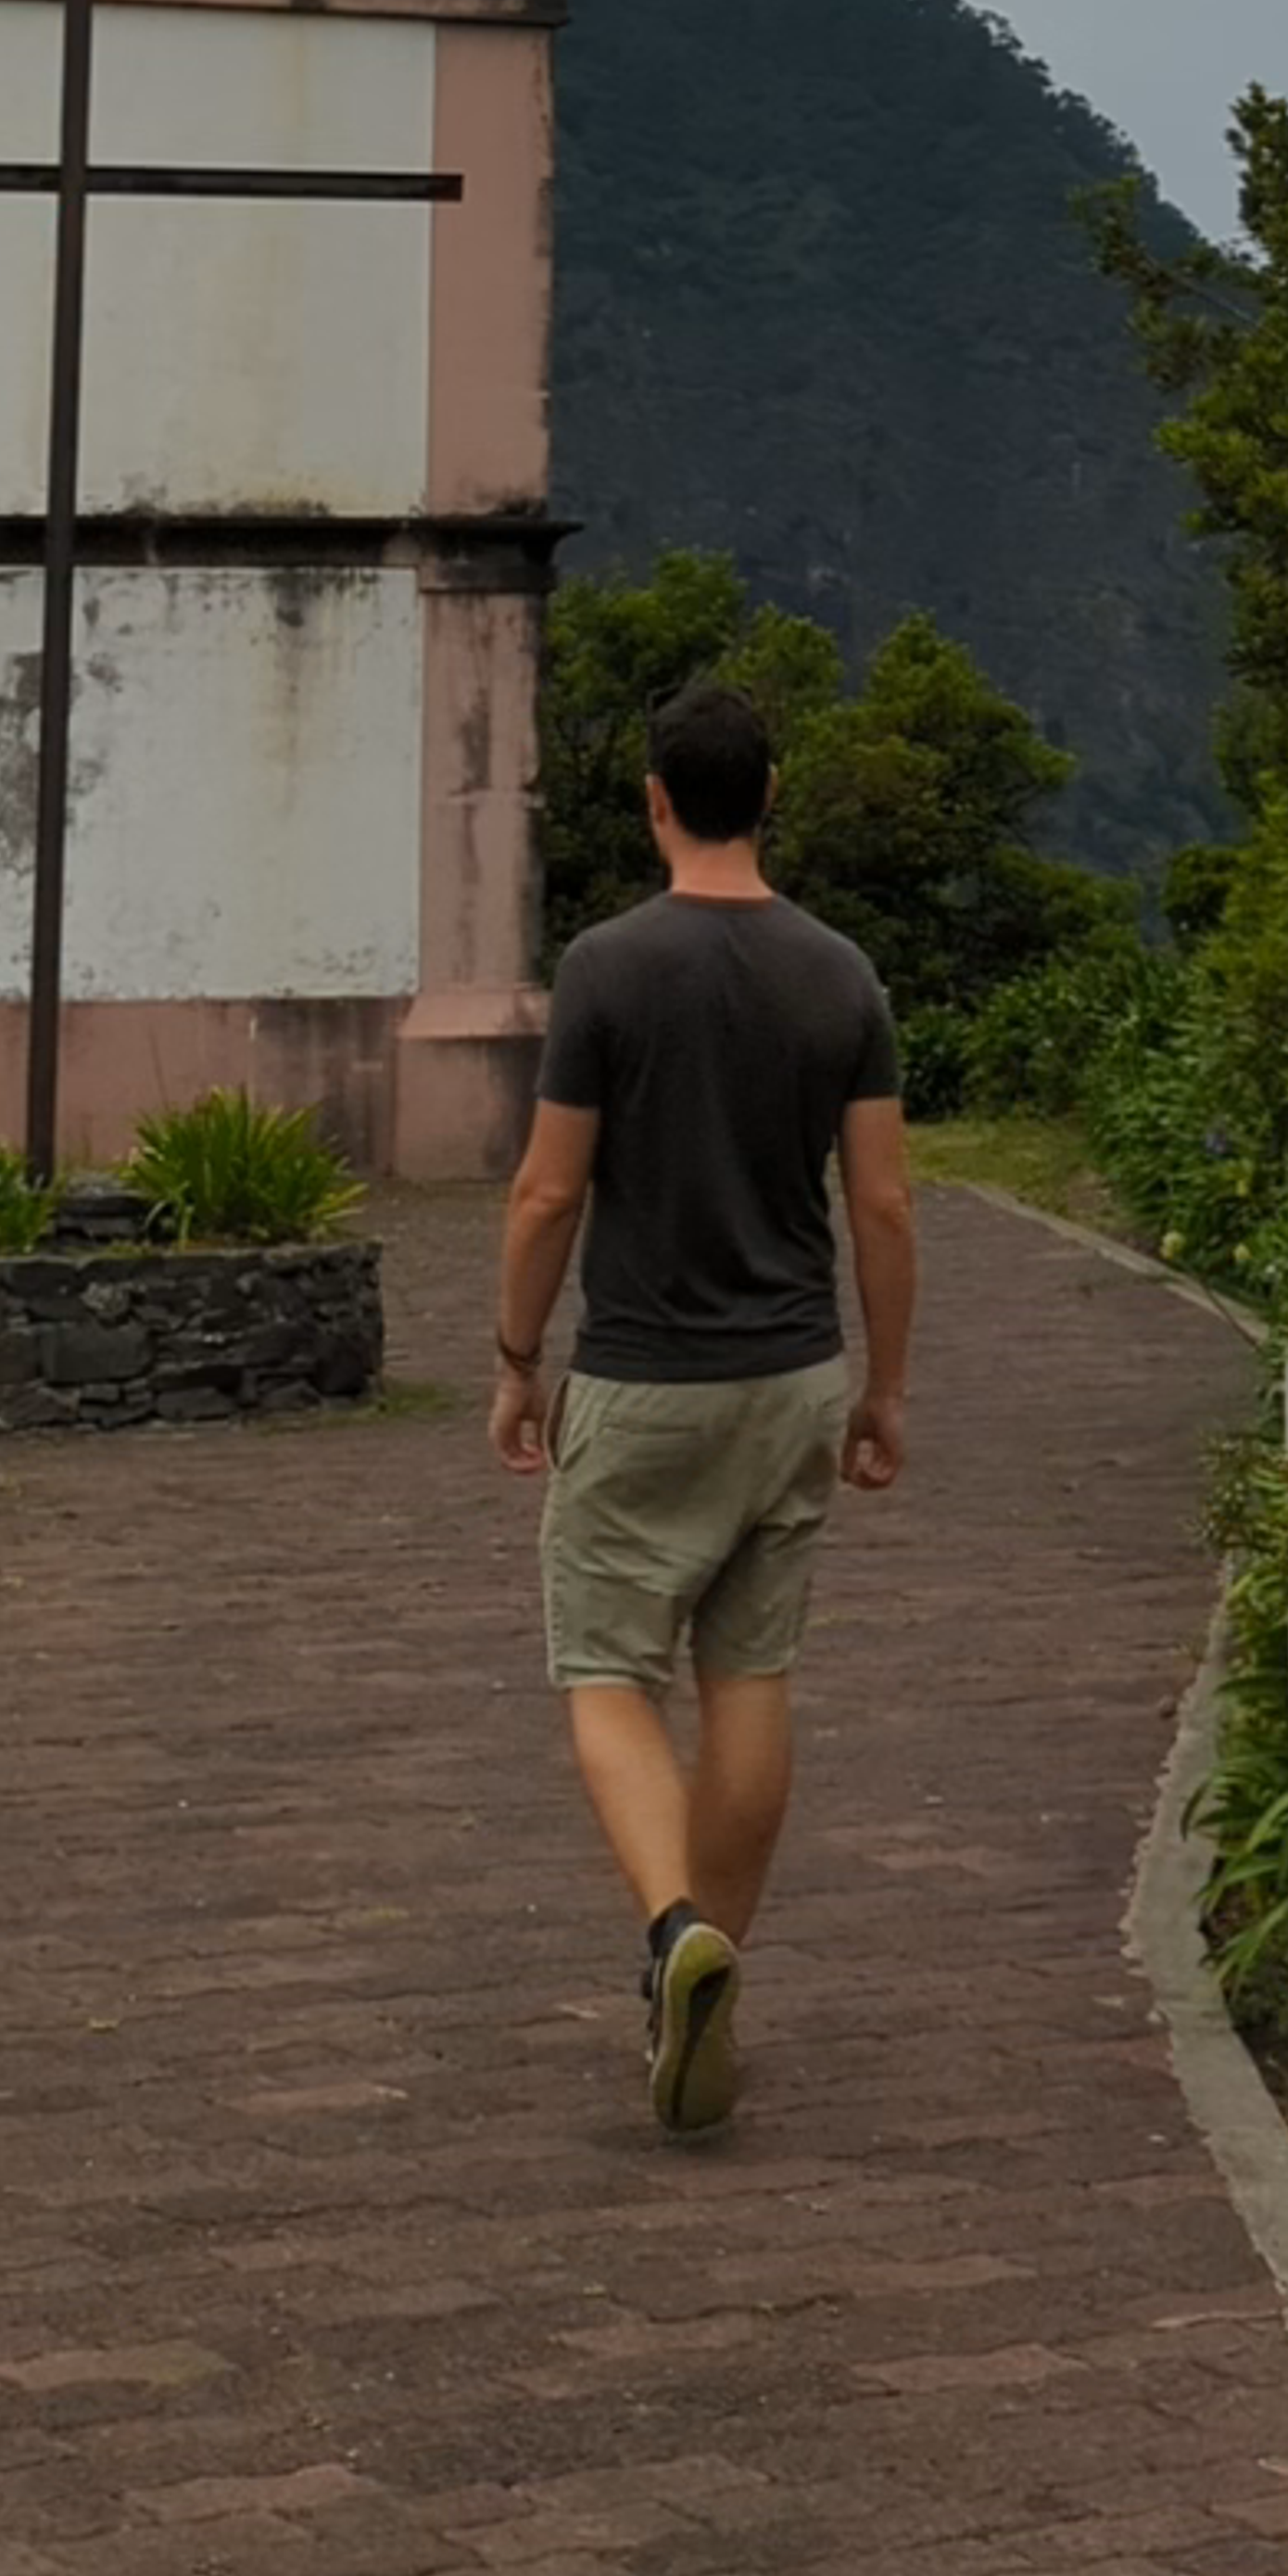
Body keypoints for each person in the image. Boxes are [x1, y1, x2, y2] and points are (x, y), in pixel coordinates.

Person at [486, 672, 915, 2132]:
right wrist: (886, 1388)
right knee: (752, 1676)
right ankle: (705, 1963)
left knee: (607, 1671)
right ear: (771, 792)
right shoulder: (841, 974)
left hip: (646, 1379)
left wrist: (512, 1353)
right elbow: (886, 1204)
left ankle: (676, 1933)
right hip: (794, 1378)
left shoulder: (607, 968)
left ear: (656, 799)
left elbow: (549, 1188)